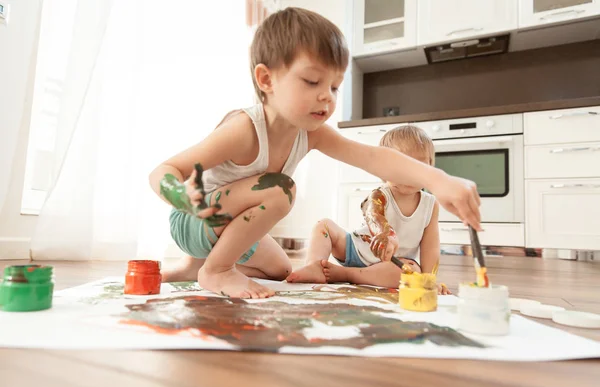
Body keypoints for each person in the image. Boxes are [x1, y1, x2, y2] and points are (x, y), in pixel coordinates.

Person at [148, 7, 480, 299]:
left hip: (227, 231)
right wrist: (182, 198)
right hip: (195, 220)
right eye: (311, 82)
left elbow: (373, 157)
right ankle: (216, 269)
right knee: (281, 190)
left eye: (334, 86)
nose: (327, 97)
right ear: (266, 80)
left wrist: (438, 180)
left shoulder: (310, 133)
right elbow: (163, 171)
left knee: (280, 270)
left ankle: (196, 267)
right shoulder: (244, 129)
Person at [287, 125, 451, 294]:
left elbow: (430, 246)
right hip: (356, 250)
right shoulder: (380, 195)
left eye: (418, 166)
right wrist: (385, 234)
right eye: (401, 166)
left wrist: (429, 280)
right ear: (382, 168)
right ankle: (314, 266)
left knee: (410, 272)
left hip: (393, 264)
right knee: (324, 226)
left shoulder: (431, 205)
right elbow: (373, 215)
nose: (409, 174)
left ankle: (347, 274)